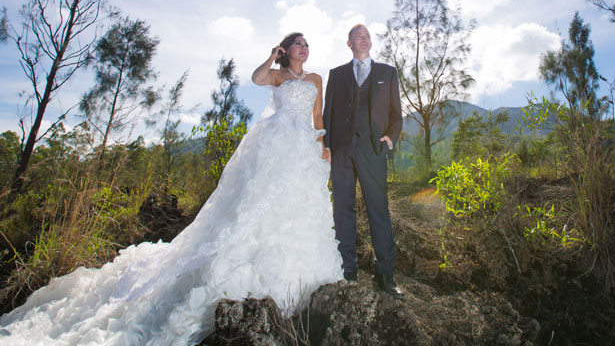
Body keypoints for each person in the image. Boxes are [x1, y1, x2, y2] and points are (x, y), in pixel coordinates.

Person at [0, 32, 343, 345]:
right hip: (275, 143)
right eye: (298, 43)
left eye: (307, 44)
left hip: (302, 146)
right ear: (288, 50)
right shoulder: (278, 75)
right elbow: (256, 78)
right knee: (257, 205)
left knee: (299, 206)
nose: (304, 47)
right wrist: (271, 56)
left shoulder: (315, 78)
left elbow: (318, 116)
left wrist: (322, 144)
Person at [323, 23, 404, 299]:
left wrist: (390, 138)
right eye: (359, 36)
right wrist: (328, 146)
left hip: (373, 150)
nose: (365, 39)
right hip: (342, 152)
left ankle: (386, 275)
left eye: (368, 36)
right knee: (343, 211)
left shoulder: (387, 73)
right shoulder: (336, 75)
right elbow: (328, 113)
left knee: (378, 210)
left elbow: (396, 113)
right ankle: (348, 270)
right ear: (349, 44)